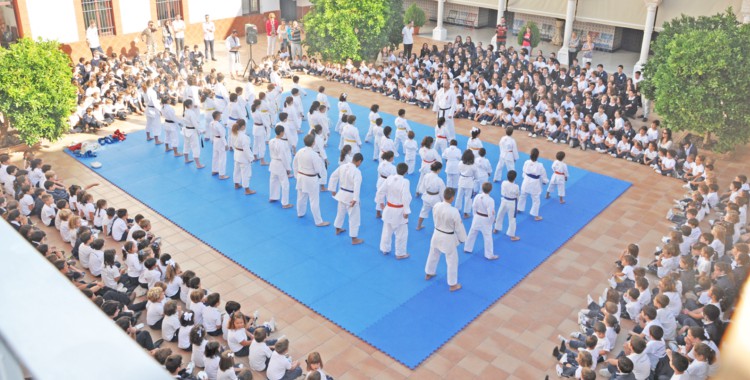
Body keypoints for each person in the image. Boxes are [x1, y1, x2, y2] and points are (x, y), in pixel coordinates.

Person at [425, 188, 467, 292]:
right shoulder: (454, 211)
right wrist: (462, 239)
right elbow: (459, 227)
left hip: (436, 233)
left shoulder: (436, 205)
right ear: (452, 198)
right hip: (448, 237)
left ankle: (429, 272)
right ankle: (453, 284)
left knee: (433, 253)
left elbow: (434, 218)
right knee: (452, 260)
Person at [376, 163, 412, 259]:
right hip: (399, 210)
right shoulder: (405, 182)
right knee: (401, 233)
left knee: (387, 230)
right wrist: (406, 211)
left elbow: (380, 191)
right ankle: (400, 253)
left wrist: (381, 202)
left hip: (388, 208)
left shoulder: (389, 178)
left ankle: (385, 249)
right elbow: (405, 197)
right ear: (406, 172)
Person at [293, 134, 329, 226]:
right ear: (313, 143)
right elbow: (317, 170)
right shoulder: (314, 155)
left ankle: (300, 213)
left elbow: (295, 164)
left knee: (301, 196)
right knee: (314, 200)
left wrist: (296, 175)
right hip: (311, 179)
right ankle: (318, 221)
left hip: (301, 176)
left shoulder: (299, 151)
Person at [328, 152, 364, 245]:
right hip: (351, 196)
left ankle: (338, 229)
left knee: (340, 212)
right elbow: (357, 186)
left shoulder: (342, 167)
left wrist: (332, 189)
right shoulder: (357, 172)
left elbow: (333, 176)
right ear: (359, 162)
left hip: (341, 194)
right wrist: (355, 199)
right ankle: (354, 238)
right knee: (354, 217)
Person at [464, 182, 498, 260]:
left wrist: (475, 215)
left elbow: (473, 206)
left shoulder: (477, 196)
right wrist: (492, 221)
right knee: (488, 237)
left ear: (482, 188)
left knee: (472, 233)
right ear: (490, 190)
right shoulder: (490, 200)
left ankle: (467, 248)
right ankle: (489, 255)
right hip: (485, 219)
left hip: (477, 217)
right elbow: (491, 213)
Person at [517, 148, 548, 221]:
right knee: (536, 199)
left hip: (526, 181)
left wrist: (525, 177)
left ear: (530, 155)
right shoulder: (540, 166)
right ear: (537, 156)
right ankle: (535, 215)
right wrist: (545, 181)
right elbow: (543, 176)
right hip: (535, 183)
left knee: (523, 195)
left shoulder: (527, 162)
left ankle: (519, 208)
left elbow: (524, 171)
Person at [269, 125, 293, 209]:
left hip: (273, 162)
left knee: (273, 180)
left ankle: (273, 196)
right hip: (280, 164)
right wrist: (288, 168)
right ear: (282, 133)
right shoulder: (281, 144)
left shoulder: (271, 141)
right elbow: (284, 157)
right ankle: (285, 203)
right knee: (285, 183)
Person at [231, 120, 256, 195]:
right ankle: (247, 189)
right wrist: (251, 158)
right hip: (243, 156)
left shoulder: (234, 133)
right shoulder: (244, 137)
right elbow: (247, 149)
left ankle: (236, 183)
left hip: (236, 154)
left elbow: (232, 144)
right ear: (243, 126)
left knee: (236, 170)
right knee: (246, 173)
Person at [181, 99, 204, 169]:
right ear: (190, 105)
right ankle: (198, 164)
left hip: (186, 130)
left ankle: (186, 159)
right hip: (192, 131)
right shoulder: (191, 113)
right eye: (192, 103)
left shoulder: (185, 112)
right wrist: (201, 130)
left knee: (186, 145)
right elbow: (195, 123)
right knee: (195, 147)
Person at [209, 111, 229, 179]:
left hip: (215, 140)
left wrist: (212, 139)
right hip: (220, 141)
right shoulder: (218, 125)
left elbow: (211, 132)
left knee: (215, 156)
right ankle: (222, 174)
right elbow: (222, 135)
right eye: (219, 115)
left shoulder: (211, 123)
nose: (220, 116)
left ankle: (214, 170)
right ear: (217, 116)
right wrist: (226, 144)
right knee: (222, 158)